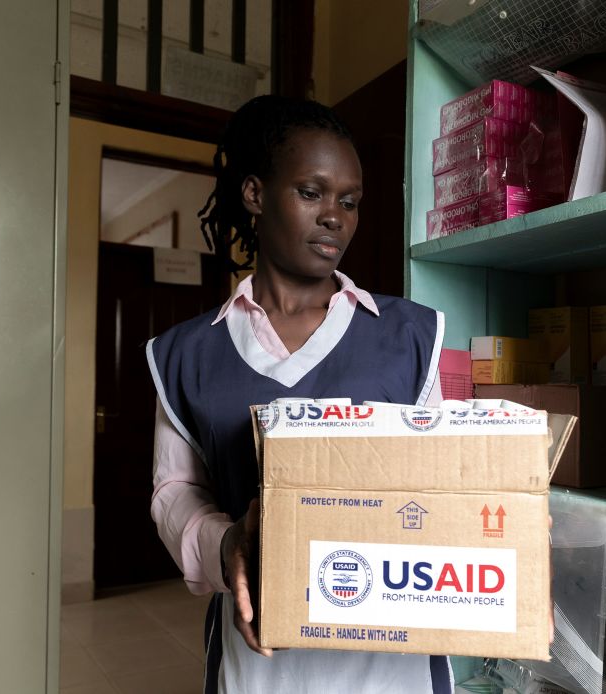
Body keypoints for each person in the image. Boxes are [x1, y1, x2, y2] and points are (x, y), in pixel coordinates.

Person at [145, 95, 450, 693]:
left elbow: (447, 484)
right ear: (256, 195)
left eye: (350, 200)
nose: (334, 216)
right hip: (259, 663)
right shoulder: (184, 355)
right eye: (311, 192)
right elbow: (174, 492)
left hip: (395, 667)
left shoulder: (410, 337)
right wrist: (226, 541)